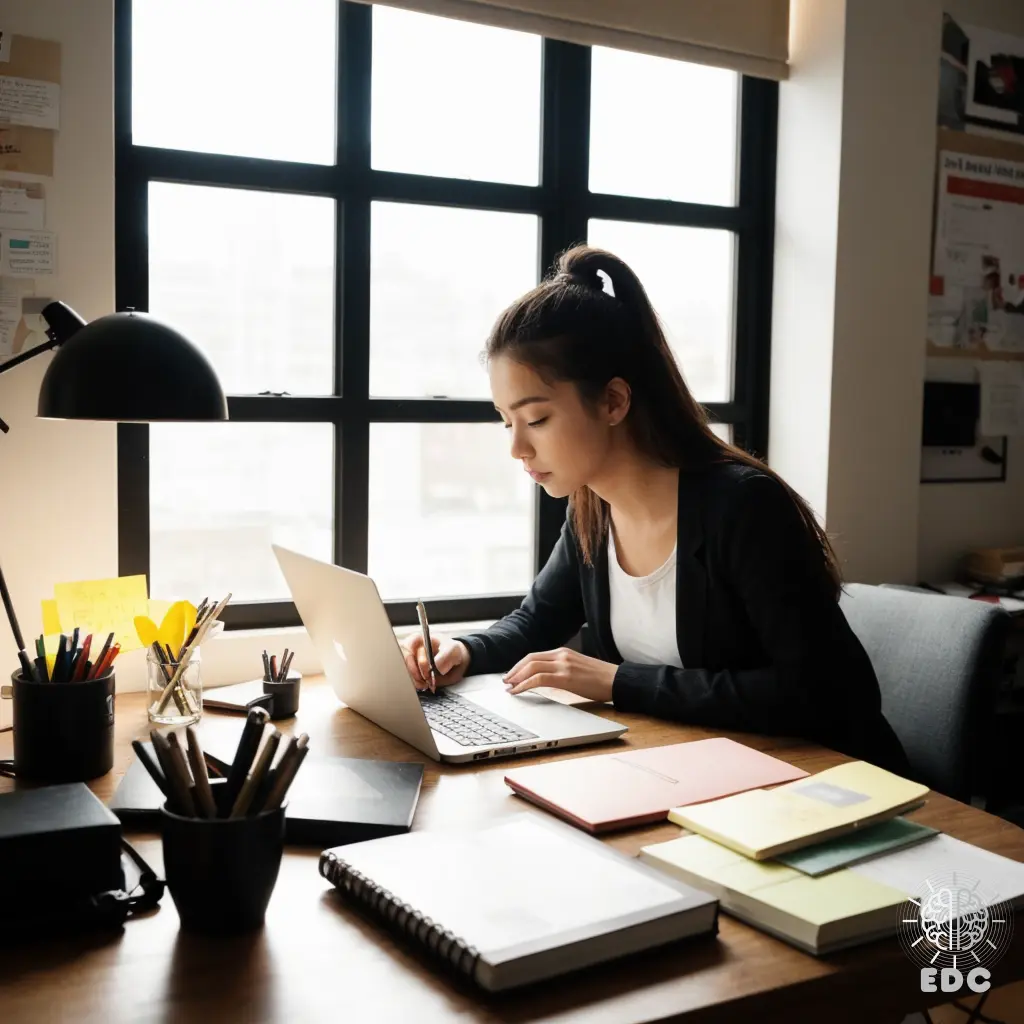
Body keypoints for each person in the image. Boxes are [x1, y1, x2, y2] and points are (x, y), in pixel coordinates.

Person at [399, 245, 910, 774]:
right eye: (508, 421)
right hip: (700, 772)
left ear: (614, 401)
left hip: (832, 785)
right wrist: (463, 650)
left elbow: (822, 692)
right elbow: (536, 622)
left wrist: (618, 682)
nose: (517, 449)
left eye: (538, 420)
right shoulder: (592, 512)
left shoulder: (743, 507)